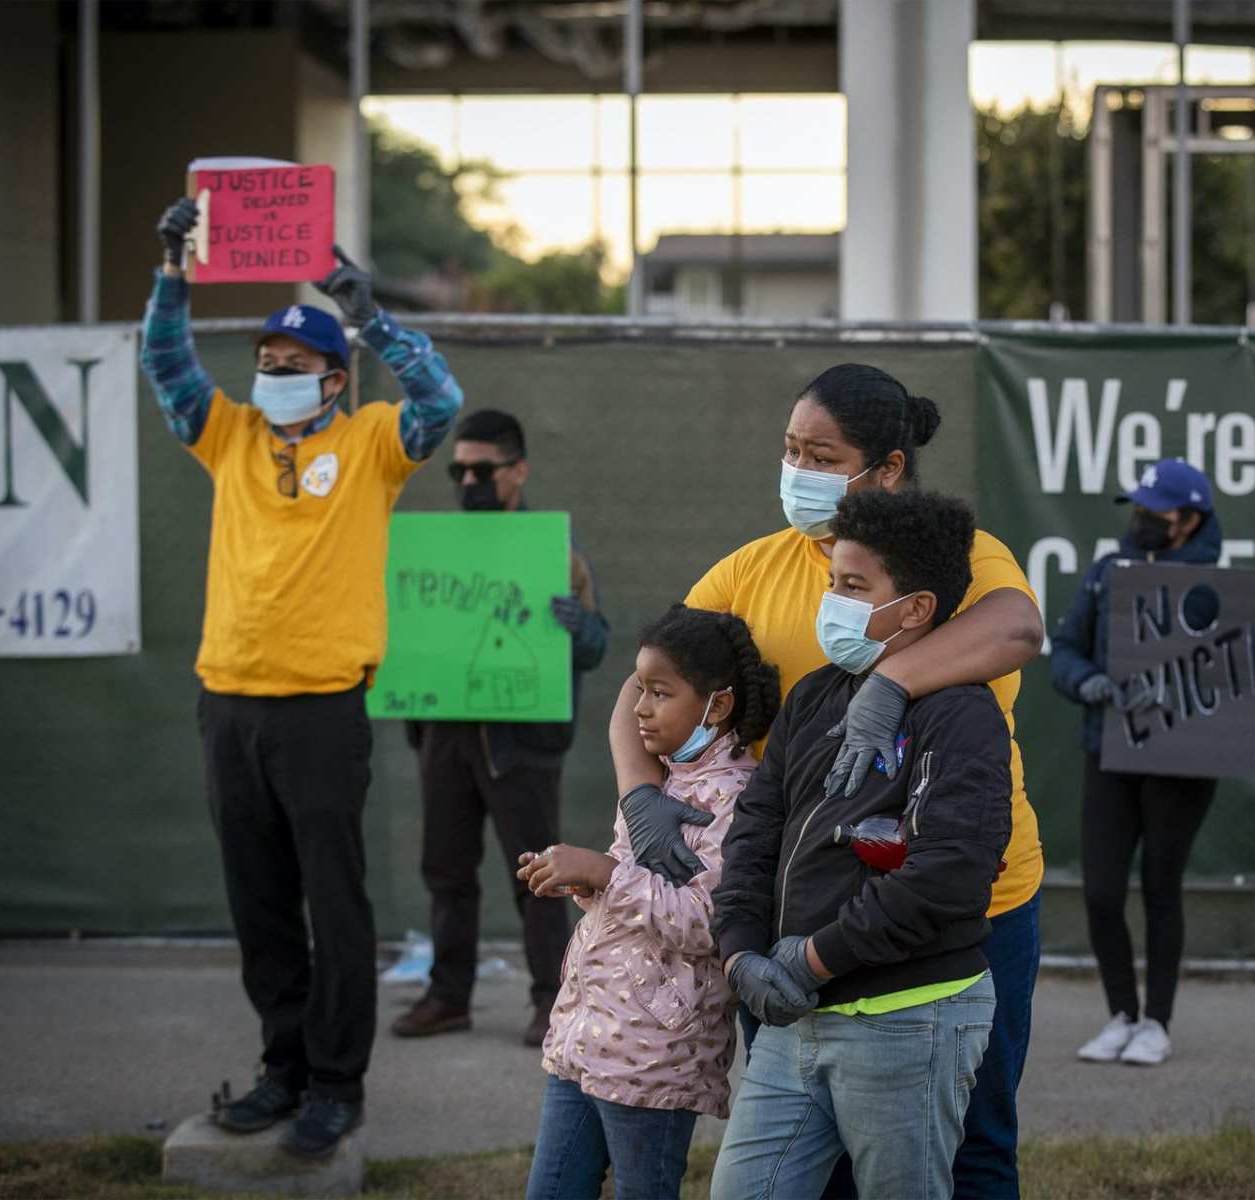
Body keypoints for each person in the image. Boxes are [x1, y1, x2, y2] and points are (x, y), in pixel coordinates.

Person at [607, 363, 1042, 1198]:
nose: (798, 472)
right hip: (795, 909)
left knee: (972, 1145)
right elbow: (648, 681)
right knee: (815, 1157)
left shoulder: (955, 554)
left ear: (886, 469)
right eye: (790, 451)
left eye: (821, 454)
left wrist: (892, 682)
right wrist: (638, 792)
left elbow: (1016, 626)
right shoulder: (748, 572)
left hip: (957, 907)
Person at [140, 198, 463, 1155]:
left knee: (335, 900)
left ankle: (336, 1083)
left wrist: (373, 318)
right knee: (260, 902)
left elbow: (439, 402)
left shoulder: (369, 442)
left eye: (295, 366)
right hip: (229, 703)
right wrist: (172, 275)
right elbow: (165, 364)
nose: (274, 376)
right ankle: (282, 1071)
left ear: (335, 376)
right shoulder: (229, 435)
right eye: (266, 363)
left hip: (321, 707)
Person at [709, 488, 1012, 1200]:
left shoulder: (962, 714)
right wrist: (740, 951)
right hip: (791, 1015)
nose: (832, 601)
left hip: (910, 1019)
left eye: (853, 586)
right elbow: (755, 830)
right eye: (831, 582)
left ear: (915, 610)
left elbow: (950, 876)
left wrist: (815, 959)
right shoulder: (814, 695)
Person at [515, 604, 780, 1200]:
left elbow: (709, 924)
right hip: (586, 1035)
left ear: (717, 704)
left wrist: (606, 873)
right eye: (641, 689)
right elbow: (638, 902)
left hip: (656, 1057)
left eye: (660, 692)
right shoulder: (657, 778)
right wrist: (583, 882)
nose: (639, 707)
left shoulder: (738, 798)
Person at [392, 409, 610, 1047]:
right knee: (446, 871)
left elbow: (598, 643)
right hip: (444, 733)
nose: (466, 481)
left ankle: (553, 999)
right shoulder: (433, 552)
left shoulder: (554, 551)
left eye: (480, 469)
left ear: (518, 471)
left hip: (522, 742)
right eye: (458, 470)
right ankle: (447, 995)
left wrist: (575, 625)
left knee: (540, 875)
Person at [1049, 459, 1223, 1068]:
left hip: (1182, 762)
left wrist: (1174, 693)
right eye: (1139, 506)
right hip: (1109, 752)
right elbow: (1065, 649)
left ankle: (1158, 1022)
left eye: (1157, 509)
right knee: (1101, 893)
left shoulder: (1218, 585)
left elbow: (1226, 674)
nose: (1142, 519)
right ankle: (1121, 1014)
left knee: (1160, 889)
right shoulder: (1106, 573)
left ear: (1191, 519)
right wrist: (1090, 683)